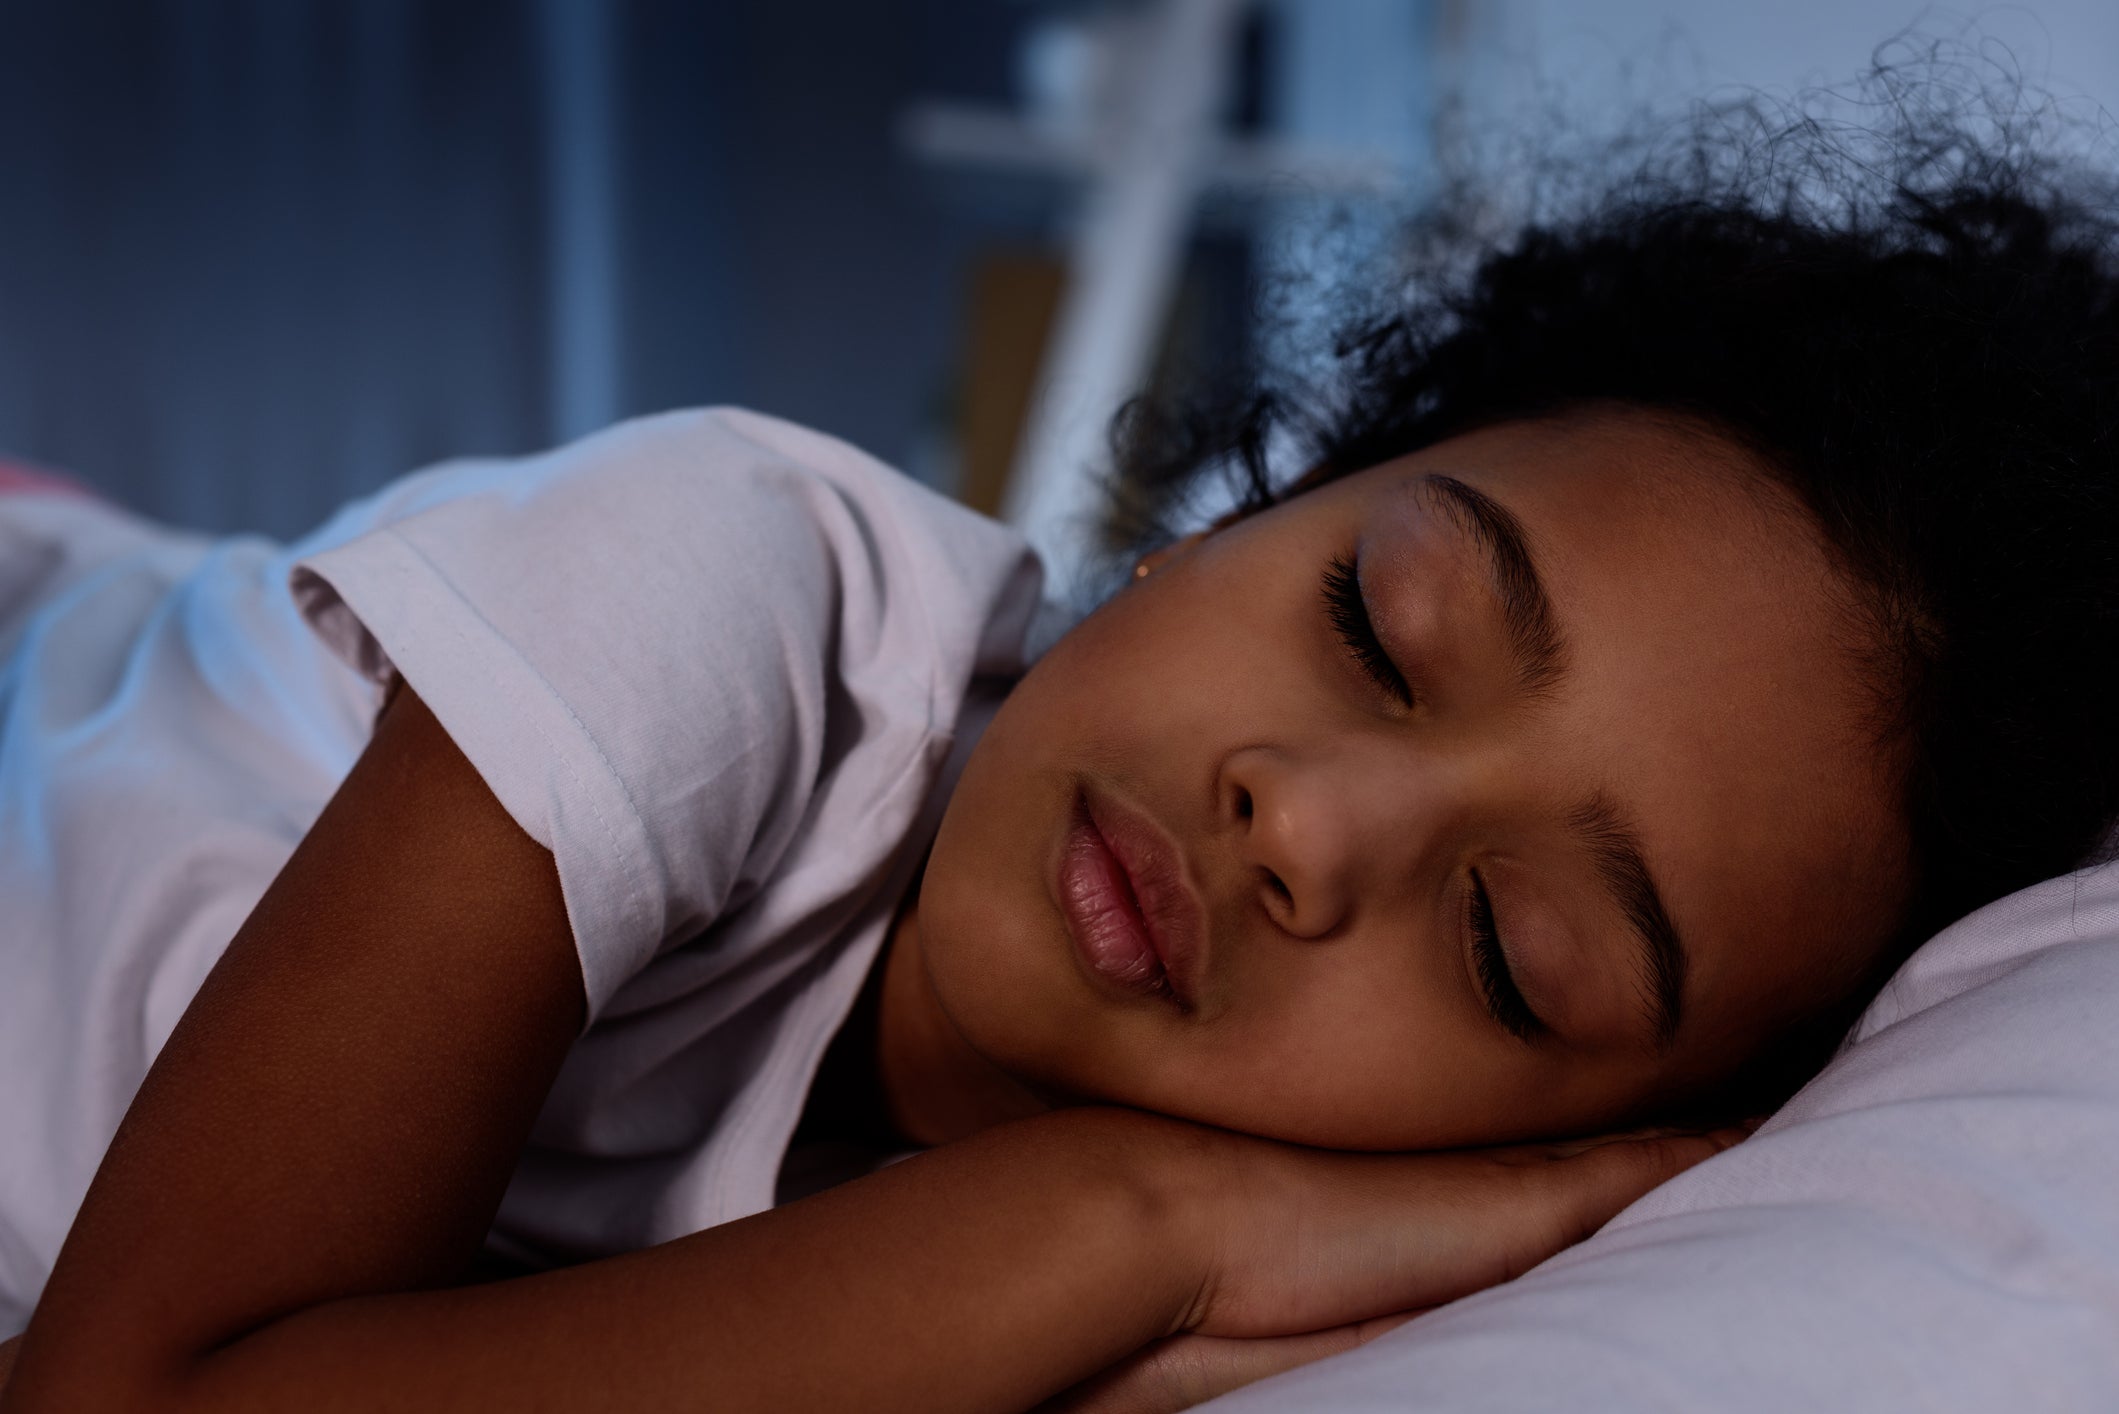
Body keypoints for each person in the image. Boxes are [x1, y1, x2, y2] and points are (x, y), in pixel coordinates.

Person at [2, 55, 2116, 1414]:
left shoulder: (1253, 1303)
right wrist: (1125, 1218)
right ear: (1245, 514)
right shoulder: (735, 585)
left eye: (1509, 952)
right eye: (1375, 623)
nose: (1304, 823)